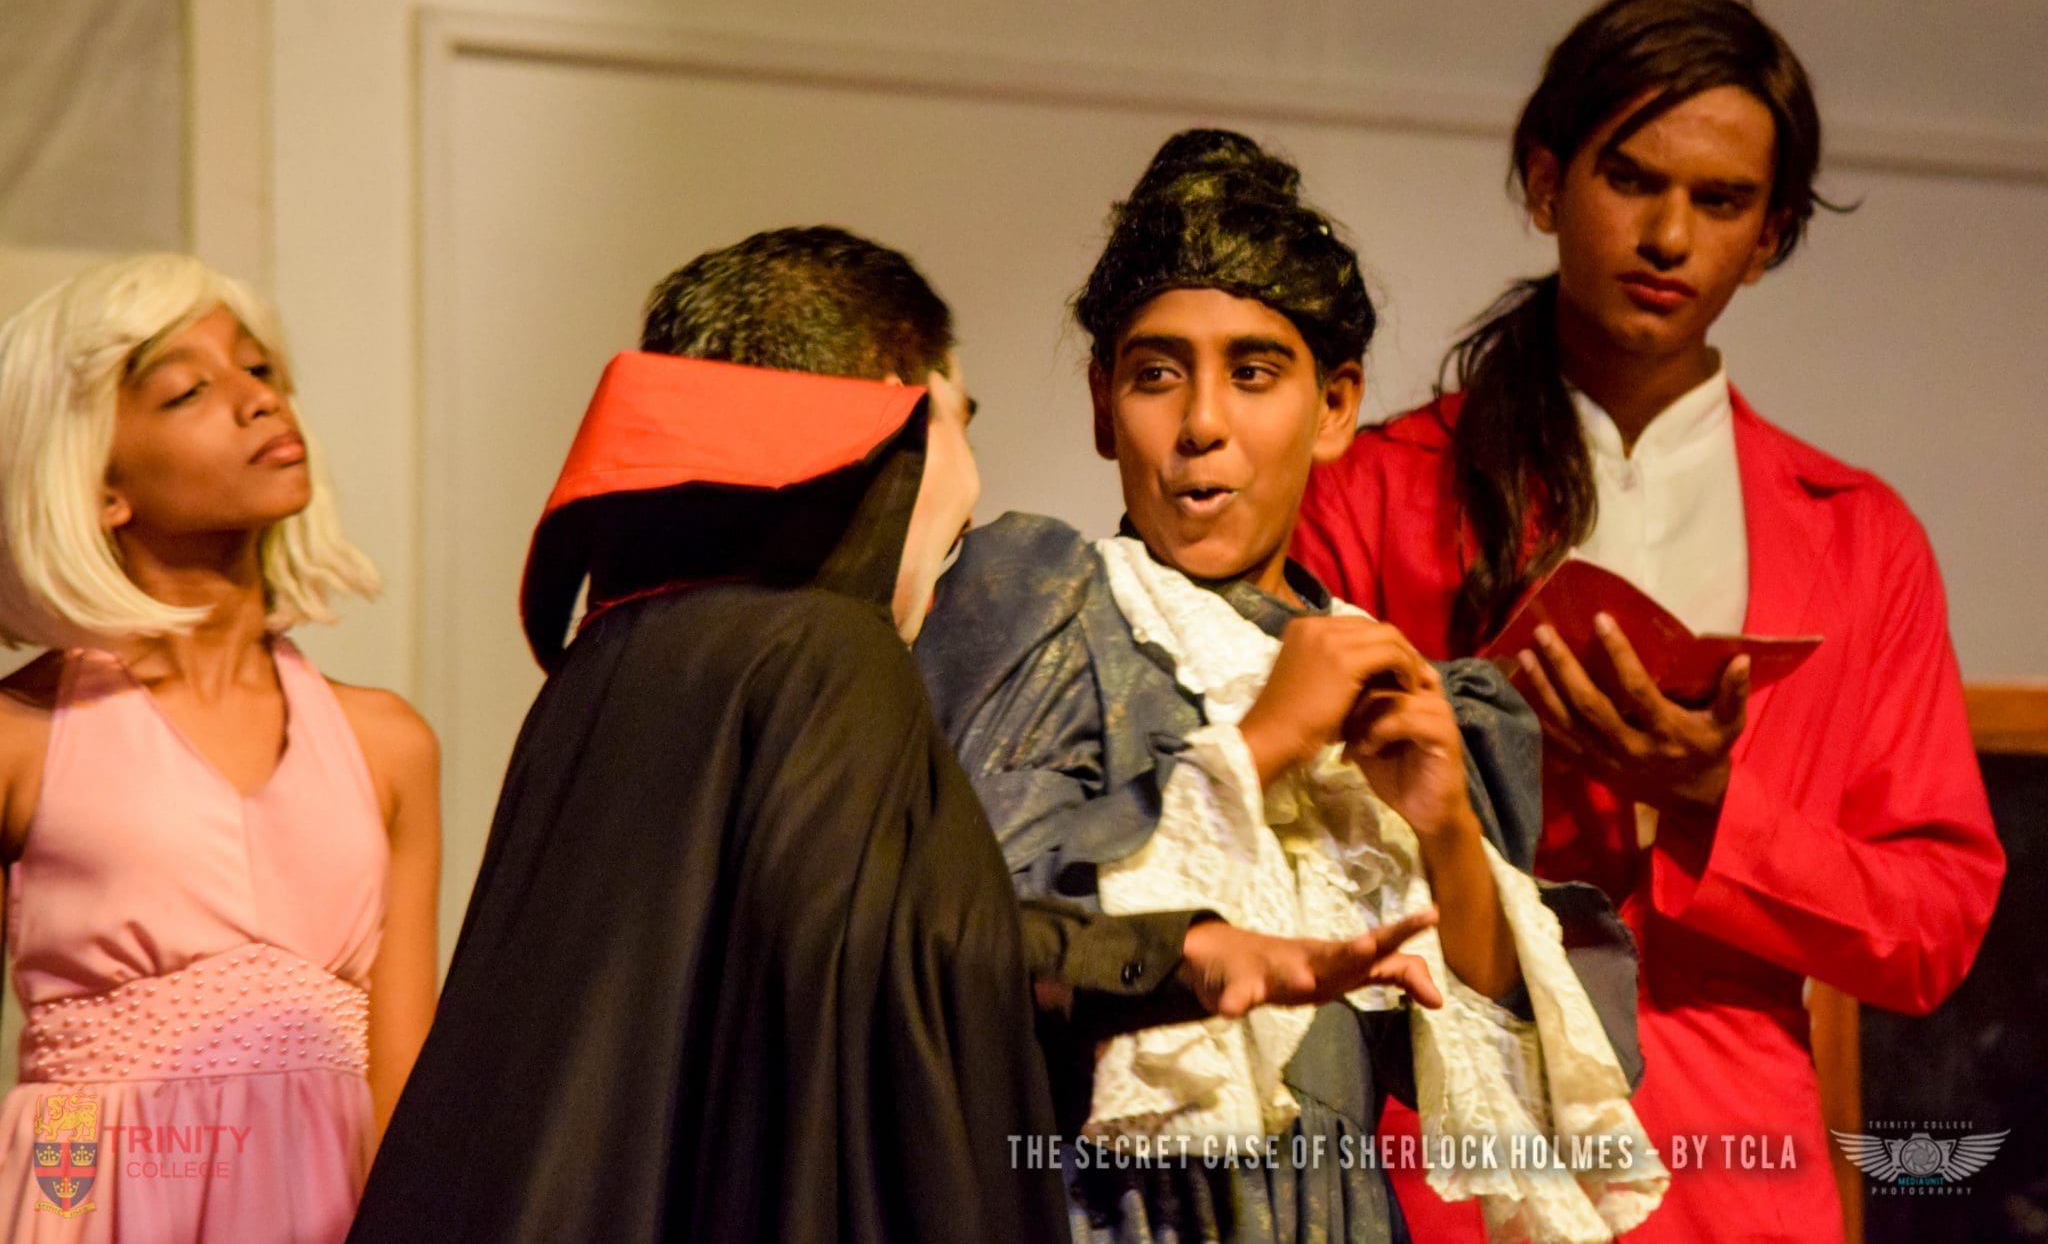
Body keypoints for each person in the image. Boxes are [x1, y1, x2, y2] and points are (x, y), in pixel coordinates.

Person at [348, 226, 1464, 1244]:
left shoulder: (616, 653)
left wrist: (1178, 954)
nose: (969, 496)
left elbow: (869, 934)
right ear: (900, 416)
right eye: (961, 421)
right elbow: (915, 972)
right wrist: (1180, 946)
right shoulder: (827, 655)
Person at [1294, 0, 2006, 1243]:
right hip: (1450, 1164)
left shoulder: (1857, 538)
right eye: (1630, 179)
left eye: (1719, 201)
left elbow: (1928, 930)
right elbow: (1283, 863)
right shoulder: (1374, 493)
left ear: (1769, 236)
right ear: (1544, 181)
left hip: (1733, 1175)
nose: (1668, 234)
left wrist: (1712, 804)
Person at [919, 132, 1664, 1243]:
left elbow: (1520, 1097)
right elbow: (963, 939)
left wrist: (1447, 830)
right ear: (1101, 404)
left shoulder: (1412, 694)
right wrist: (1256, 745)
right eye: (1156, 373)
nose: (1201, 424)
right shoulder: (1045, 609)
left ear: (1334, 406)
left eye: (1254, 373)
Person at [0, 254, 440, 1242]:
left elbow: (408, 1075)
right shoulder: (21, 737)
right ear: (98, 484)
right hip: (85, 1191)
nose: (257, 399)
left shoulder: (387, 743)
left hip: (327, 1202)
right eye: (187, 390)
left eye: (261, 368)